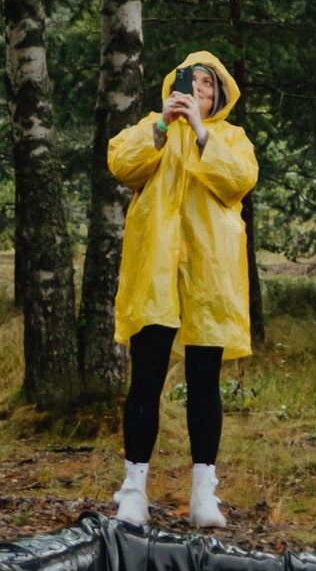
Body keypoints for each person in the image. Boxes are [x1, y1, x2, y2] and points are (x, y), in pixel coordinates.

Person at [105, 49, 259, 533]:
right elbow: (122, 164)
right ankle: (133, 491)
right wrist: (162, 129)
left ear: (221, 95)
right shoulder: (154, 126)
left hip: (210, 281)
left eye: (210, 85)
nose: (200, 92)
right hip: (155, 275)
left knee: (204, 384)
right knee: (146, 380)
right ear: (176, 86)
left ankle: (202, 495)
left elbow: (239, 180)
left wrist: (200, 133)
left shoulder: (229, 137)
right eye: (193, 83)